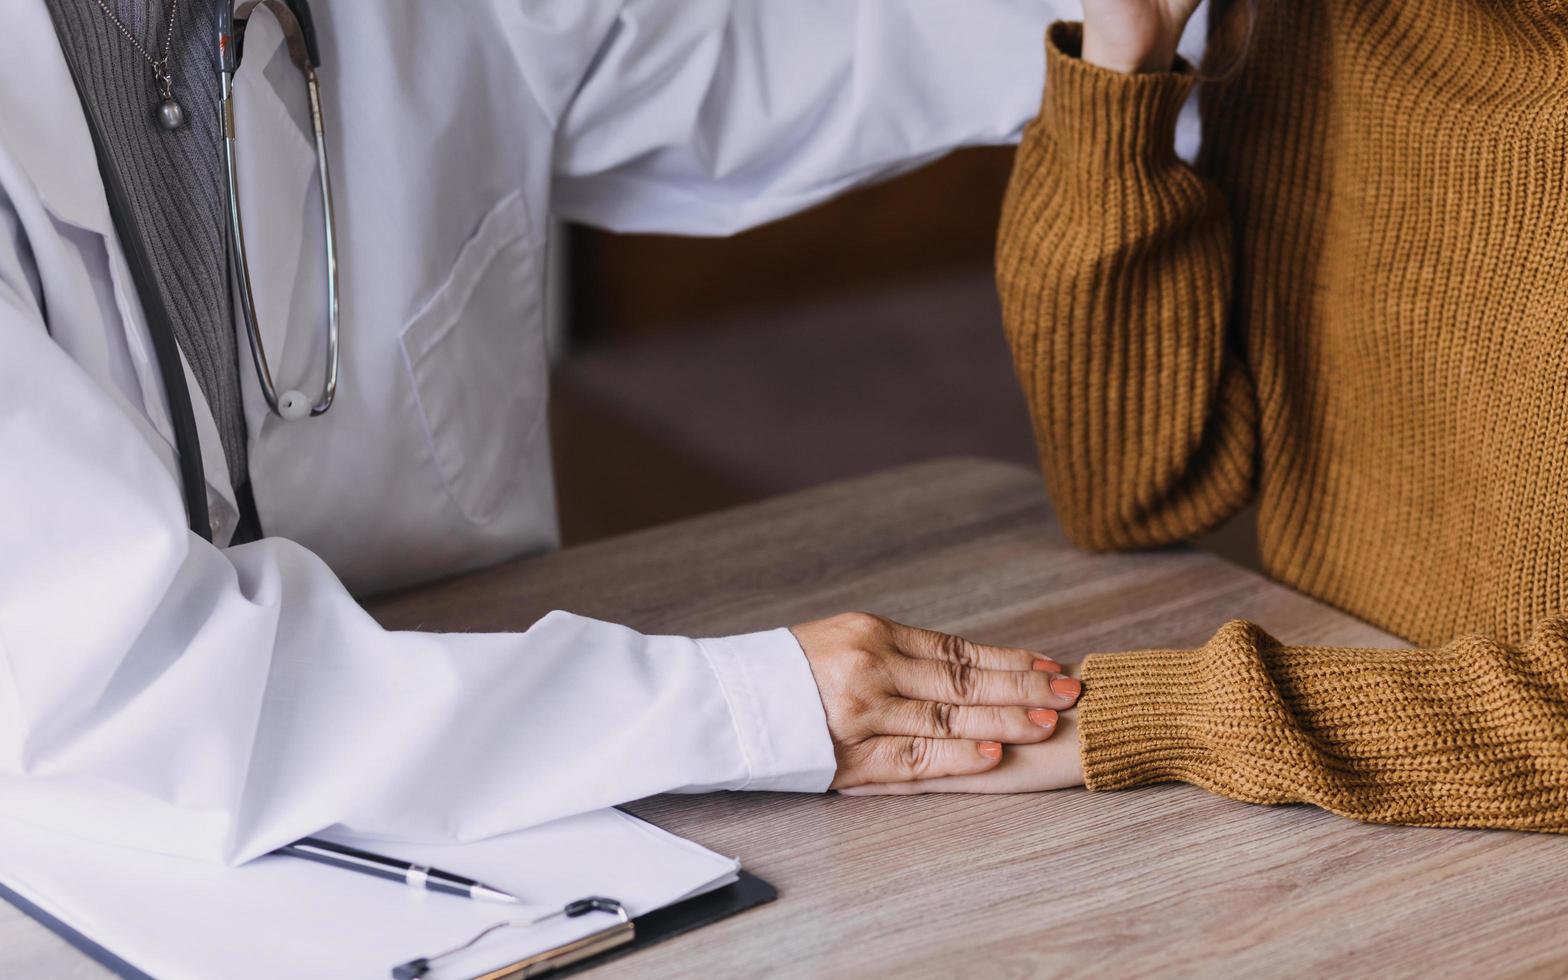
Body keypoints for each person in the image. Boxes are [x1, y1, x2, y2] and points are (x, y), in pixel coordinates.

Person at [0, 0, 1104, 865]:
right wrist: (753, 706)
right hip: (98, 843)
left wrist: (1116, 30)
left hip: (531, 784)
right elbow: (139, 696)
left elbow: (745, 57)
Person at [847, 0, 1568, 835]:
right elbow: (1135, 493)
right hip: (1347, 781)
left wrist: (1152, 717)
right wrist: (1124, 65)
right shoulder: (1310, 20)